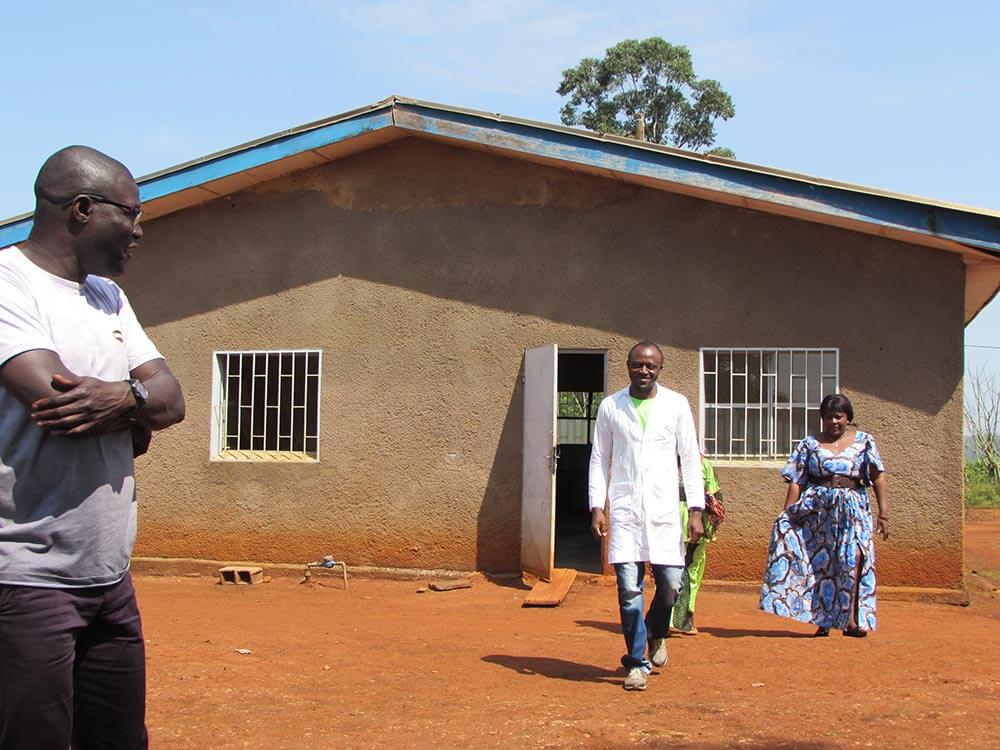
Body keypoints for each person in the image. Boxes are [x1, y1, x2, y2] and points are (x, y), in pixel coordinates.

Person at [0, 146, 185, 749]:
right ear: (82, 209)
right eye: (131, 213)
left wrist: (126, 400)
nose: (139, 230)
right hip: (25, 578)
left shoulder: (109, 298)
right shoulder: (8, 284)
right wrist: (136, 407)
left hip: (107, 576)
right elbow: (57, 404)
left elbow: (172, 399)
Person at [589, 341, 704, 691]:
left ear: (659, 369)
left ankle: (655, 631)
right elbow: (599, 458)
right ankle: (637, 662)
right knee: (629, 589)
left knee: (671, 586)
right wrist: (597, 505)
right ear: (628, 366)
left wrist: (696, 509)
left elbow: (690, 458)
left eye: (651, 366)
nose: (644, 371)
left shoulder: (676, 405)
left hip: (664, 510)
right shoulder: (611, 406)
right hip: (626, 511)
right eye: (638, 364)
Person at [759, 393, 889, 637]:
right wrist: (787, 514)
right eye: (829, 417)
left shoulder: (864, 442)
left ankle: (851, 621)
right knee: (822, 564)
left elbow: (878, 476)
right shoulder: (809, 444)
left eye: (838, 416)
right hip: (819, 512)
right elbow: (797, 480)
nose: (834, 422)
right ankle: (824, 620)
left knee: (853, 559)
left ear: (848, 418)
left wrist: (884, 514)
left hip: (854, 510)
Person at [671, 455, 724, 634]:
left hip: (686, 523)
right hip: (686, 522)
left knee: (679, 567)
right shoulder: (702, 464)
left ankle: (675, 618)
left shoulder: (701, 464)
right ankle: (680, 619)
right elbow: (714, 497)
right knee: (689, 569)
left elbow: (713, 497)